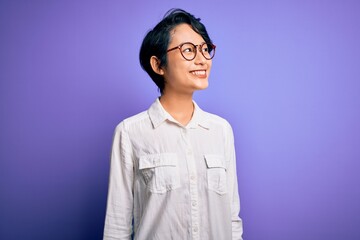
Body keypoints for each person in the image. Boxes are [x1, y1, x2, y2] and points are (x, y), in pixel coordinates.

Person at [103, 8, 243, 240]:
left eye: (205, 49)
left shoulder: (221, 130)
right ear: (158, 65)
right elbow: (117, 228)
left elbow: (232, 220)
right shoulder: (130, 132)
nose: (202, 59)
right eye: (188, 50)